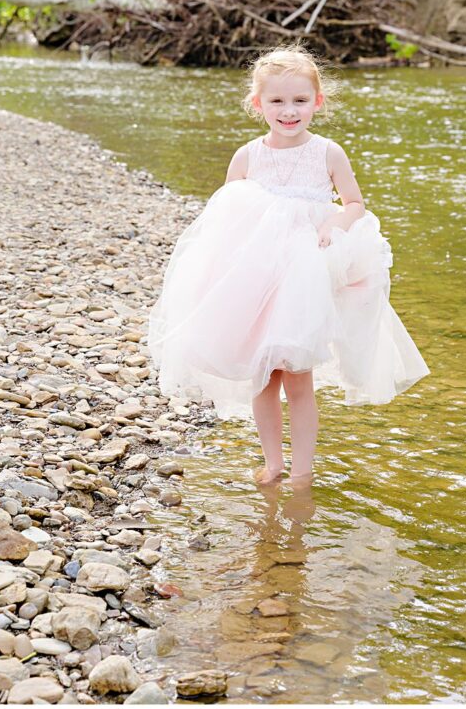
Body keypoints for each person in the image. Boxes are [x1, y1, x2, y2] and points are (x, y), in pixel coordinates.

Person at [147, 44, 430, 487]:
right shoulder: (248, 156)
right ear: (257, 104)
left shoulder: (328, 153)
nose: (289, 111)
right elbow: (225, 218)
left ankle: (302, 472)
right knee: (263, 377)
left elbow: (355, 203)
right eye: (277, 101)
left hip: (304, 279)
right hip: (258, 280)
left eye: (300, 100)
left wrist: (336, 221)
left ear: (317, 102)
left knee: (298, 379)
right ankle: (273, 461)